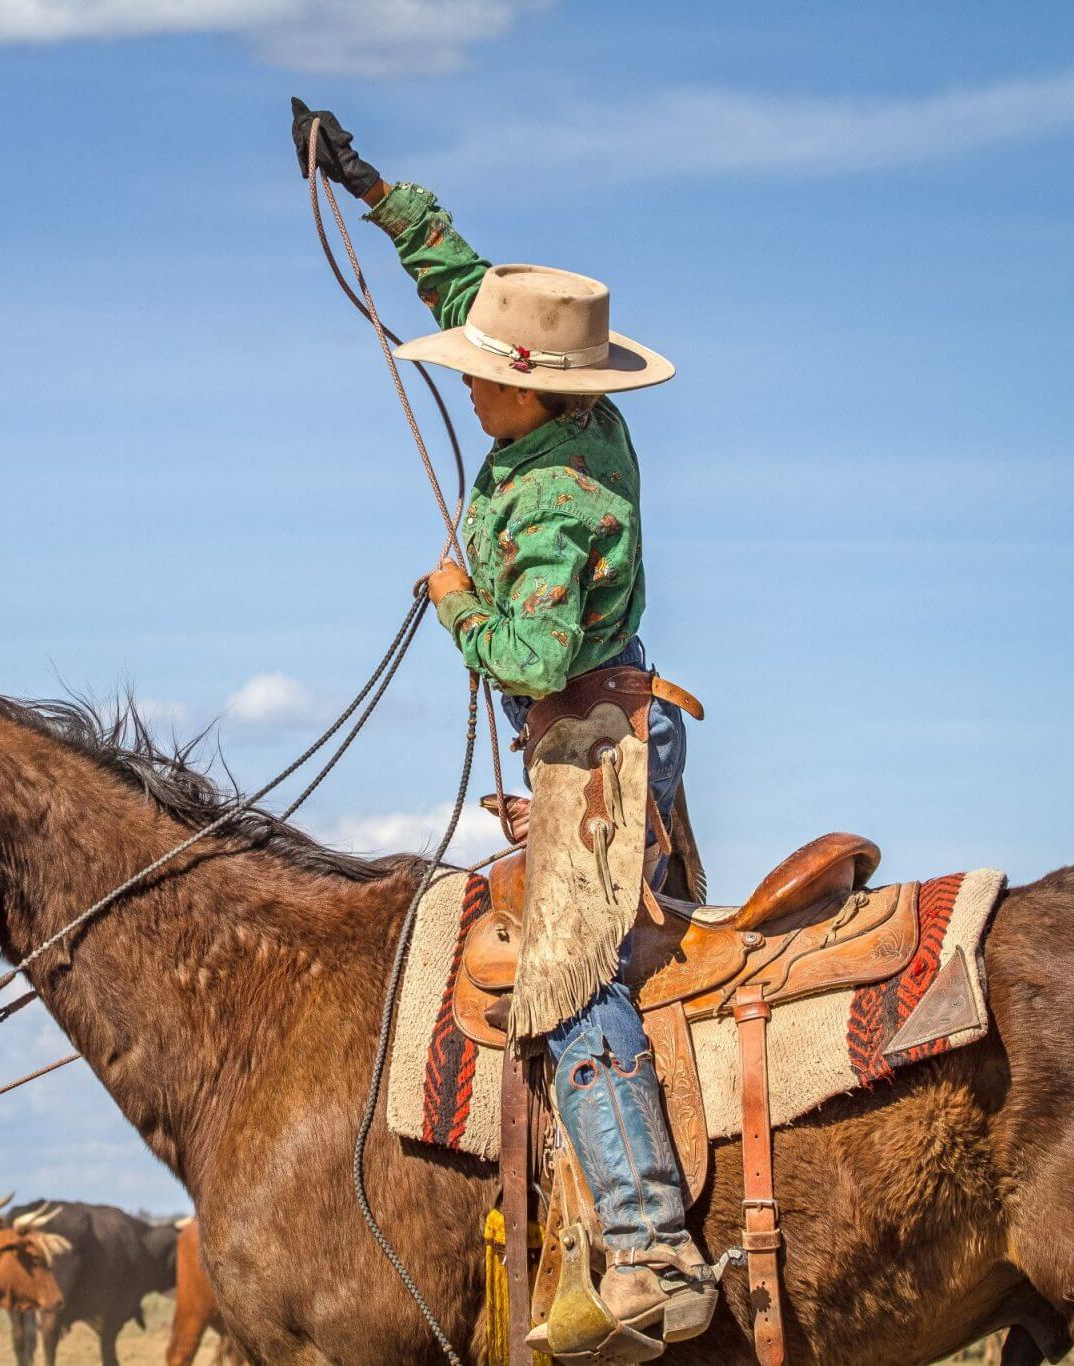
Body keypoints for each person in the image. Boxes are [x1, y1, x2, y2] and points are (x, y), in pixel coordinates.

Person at [292, 101, 715, 1356]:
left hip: (592, 735)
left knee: (568, 975)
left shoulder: (562, 503)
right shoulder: (563, 415)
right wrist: (366, 181)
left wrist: (454, 603)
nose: (472, 384)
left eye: (487, 377)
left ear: (540, 392)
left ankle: (648, 1247)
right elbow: (464, 279)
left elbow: (531, 654)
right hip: (596, 716)